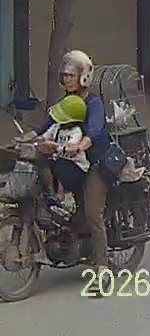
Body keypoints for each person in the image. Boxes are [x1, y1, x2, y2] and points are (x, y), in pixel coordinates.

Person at [26, 51, 110, 291]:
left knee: (93, 214)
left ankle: (102, 268)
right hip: (71, 161)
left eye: (71, 75)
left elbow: (94, 129)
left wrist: (80, 145)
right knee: (41, 164)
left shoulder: (93, 103)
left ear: (84, 76)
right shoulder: (66, 102)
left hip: (95, 163)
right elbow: (47, 124)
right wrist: (26, 138)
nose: (67, 79)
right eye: (64, 75)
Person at [36, 94, 91, 210]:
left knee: (60, 163)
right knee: (42, 161)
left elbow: (70, 147)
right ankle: (51, 192)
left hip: (75, 166)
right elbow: (43, 137)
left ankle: (61, 194)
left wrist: (54, 146)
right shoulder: (56, 127)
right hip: (57, 160)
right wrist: (36, 141)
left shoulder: (76, 131)